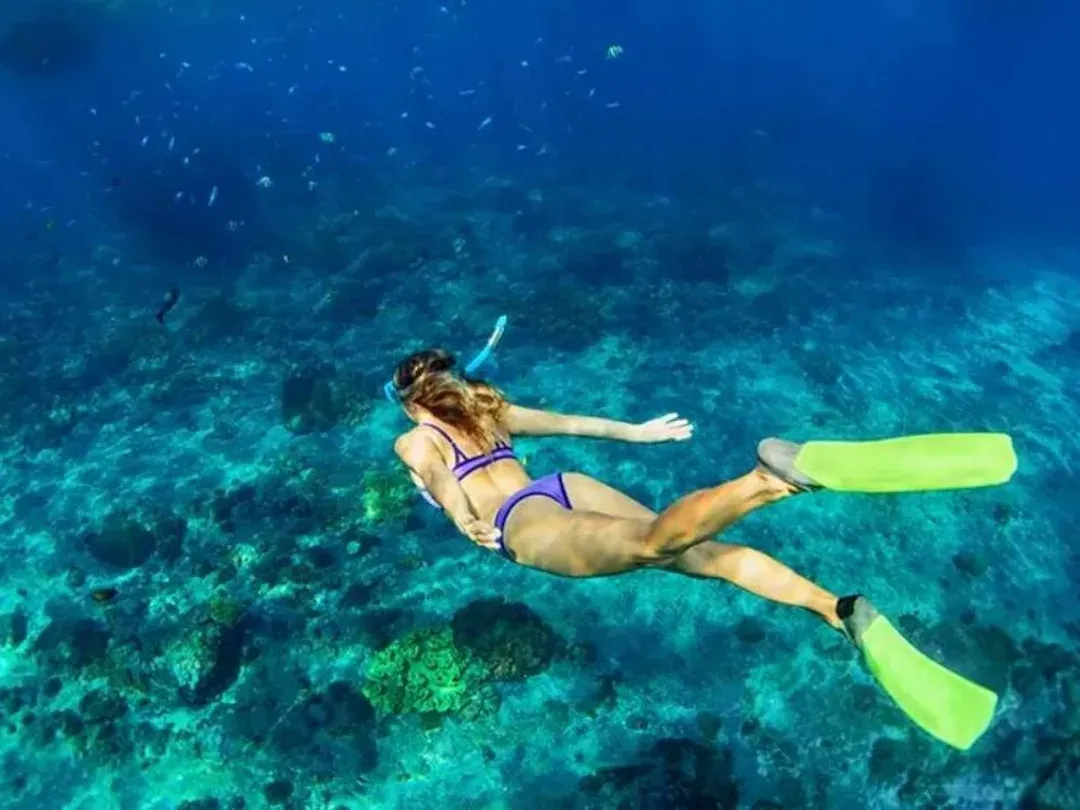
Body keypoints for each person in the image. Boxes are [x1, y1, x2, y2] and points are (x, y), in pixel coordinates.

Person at [390, 347, 846, 631]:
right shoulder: (489, 413)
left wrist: (463, 519)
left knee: (652, 545)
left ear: (411, 405)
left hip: (518, 521)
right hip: (564, 486)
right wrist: (638, 432)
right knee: (701, 554)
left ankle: (766, 481)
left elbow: (437, 475)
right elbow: (571, 423)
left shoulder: (415, 439)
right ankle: (833, 607)